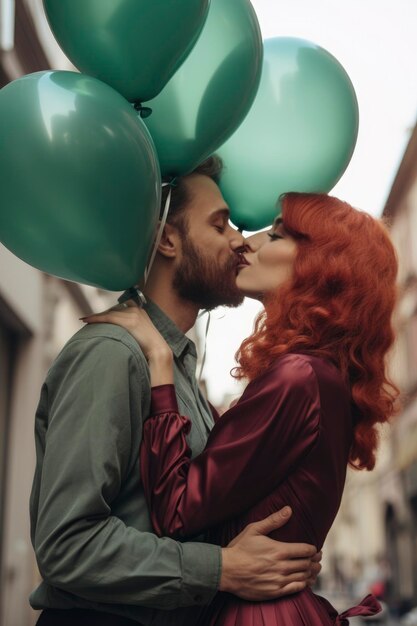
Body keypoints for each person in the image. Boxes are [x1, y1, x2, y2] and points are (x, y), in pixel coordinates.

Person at [30, 158, 322, 626]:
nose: (238, 241)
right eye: (220, 223)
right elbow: (66, 545)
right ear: (167, 237)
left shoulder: (176, 369)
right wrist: (223, 569)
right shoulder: (112, 352)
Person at [84, 191, 399, 625]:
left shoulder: (299, 377)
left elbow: (175, 512)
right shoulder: (318, 376)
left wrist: (160, 363)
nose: (248, 242)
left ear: (321, 267)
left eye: (277, 235)